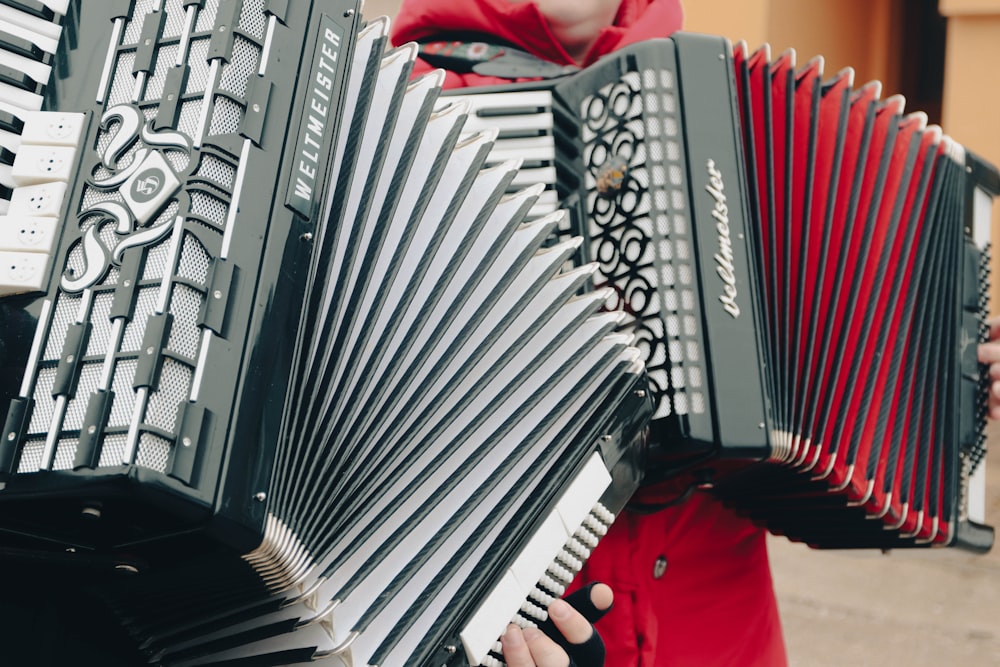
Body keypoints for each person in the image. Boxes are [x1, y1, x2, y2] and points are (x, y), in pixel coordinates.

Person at [392, 2, 1000, 666]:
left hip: (722, 628)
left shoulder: (721, 100)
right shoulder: (409, 105)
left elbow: (821, 369)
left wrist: (954, 375)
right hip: (532, 629)